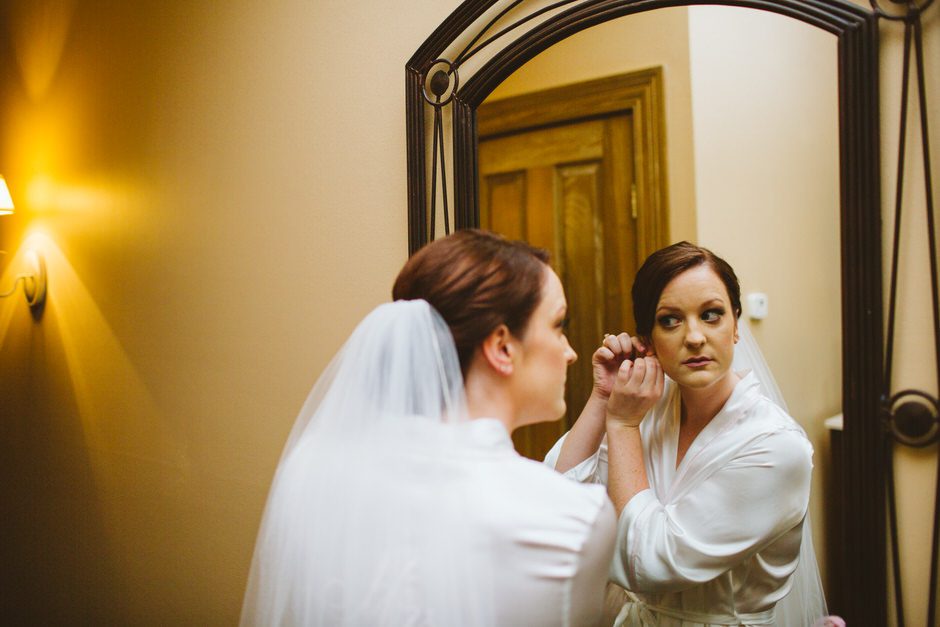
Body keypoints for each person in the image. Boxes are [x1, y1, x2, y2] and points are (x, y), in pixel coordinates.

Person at [241, 229, 616, 627]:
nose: (571, 352)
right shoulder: (576, 519)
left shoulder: (312, 472)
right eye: (559, 325)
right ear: (502, 347)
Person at [545, 241, 827, 626]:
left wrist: (623, 425)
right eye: (670, 320)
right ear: (647, 338)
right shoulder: (646, 409)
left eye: (711, 315)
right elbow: (557, 497)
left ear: (736, 325)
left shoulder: (776, 447)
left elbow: (649, 562)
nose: (694, 337)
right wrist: (603, 398)